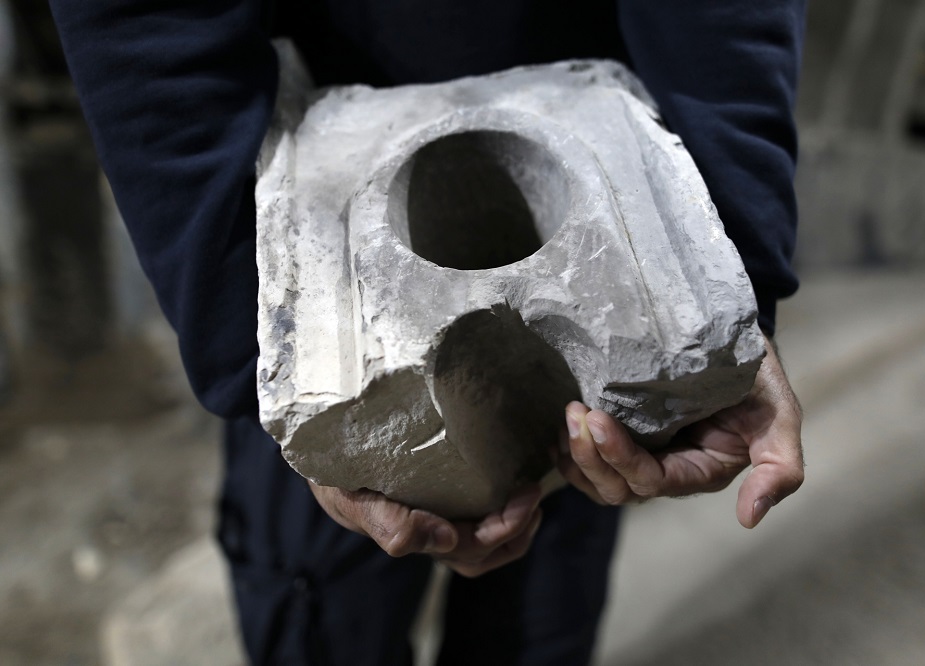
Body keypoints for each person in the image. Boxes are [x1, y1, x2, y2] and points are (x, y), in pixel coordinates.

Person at [48, 1, 806, 663]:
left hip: (582, 192)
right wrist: (252, 341)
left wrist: (733, 272)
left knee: (544, 607)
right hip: (320, 205)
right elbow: (146, 24)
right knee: (328, 615)